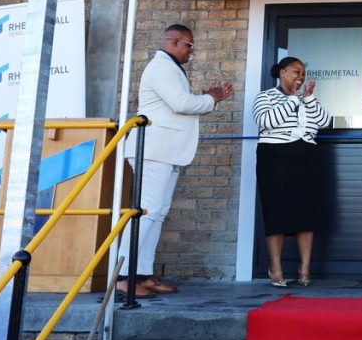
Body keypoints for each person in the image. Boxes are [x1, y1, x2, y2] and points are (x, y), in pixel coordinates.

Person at [116, 24, 234, 299]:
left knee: (156, 213)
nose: (191, 52)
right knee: (146, 212)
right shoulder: (161, 68)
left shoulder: (170, 68)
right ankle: (123, 277)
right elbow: (180, 103)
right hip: (153, 150)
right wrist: (211, 98)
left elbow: (179, 104)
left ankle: (142, 274)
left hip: (166, 151)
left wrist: (205, 98)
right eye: (189, 46)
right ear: (173, 41)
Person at [252, 56, 332, 287]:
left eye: (303, 73)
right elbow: (266, 121)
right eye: (296, 71)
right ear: (282, 72)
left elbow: (324, 122)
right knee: (276, 213)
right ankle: (275, 269)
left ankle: (304, 268)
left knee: (306, 214)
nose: (301, 76)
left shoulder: (306, 100)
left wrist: (309, 99)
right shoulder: (265, 97)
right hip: (274, 157)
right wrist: (293, 100)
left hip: (306, 157)